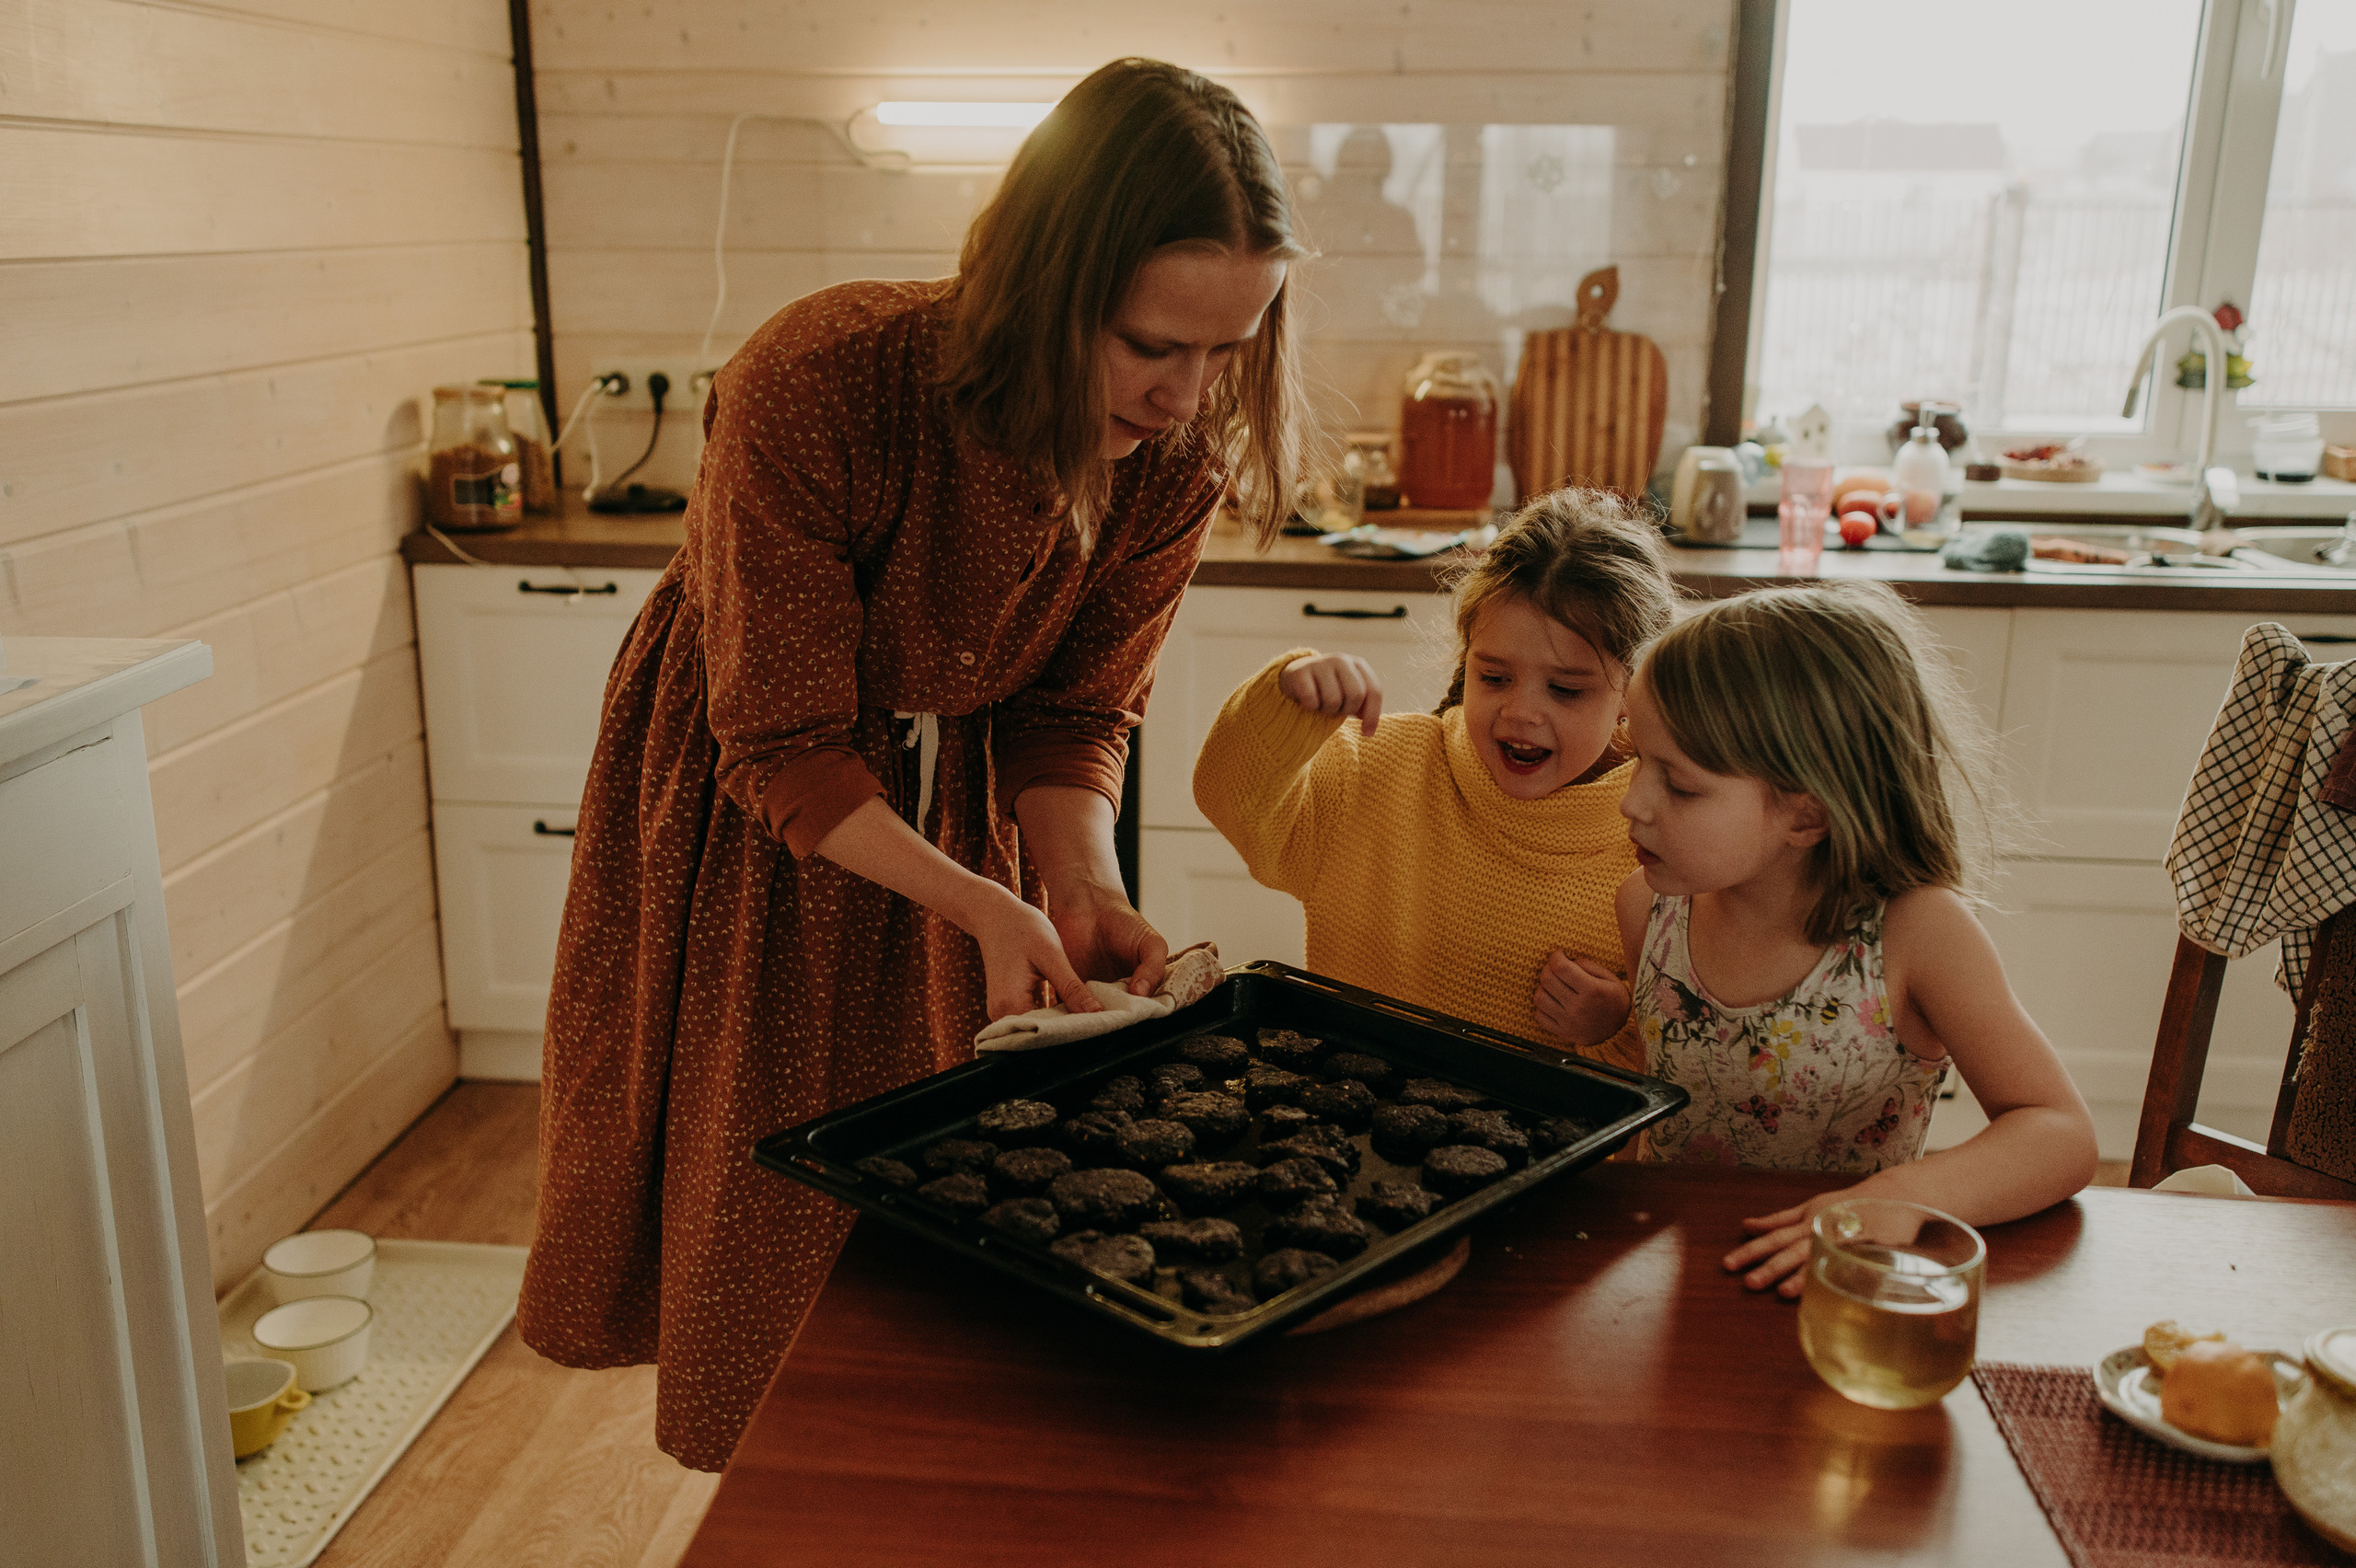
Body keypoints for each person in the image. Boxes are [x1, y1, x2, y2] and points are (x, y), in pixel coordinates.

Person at [515, 59, 1308, 1470]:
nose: (1189, 398)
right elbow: (784, 745)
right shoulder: (821, 380)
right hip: (755, 816)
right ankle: (778, 1494)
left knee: (959, 1203)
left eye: (1228, 351)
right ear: (1045, 283)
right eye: (1152, 347)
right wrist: (980, 903)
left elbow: (1074, 711)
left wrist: (1073, 884)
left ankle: (927, 1488)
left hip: (953, 813)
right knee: (766, 1184)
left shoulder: (1174, 456)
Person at [1611, 580, 2098, 1295]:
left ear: (1806, 816)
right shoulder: (1648, 912)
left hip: (1840, 1288)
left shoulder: (1917, 934)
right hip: (1683, 1279)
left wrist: (1906, 1197)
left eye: (1679, 786)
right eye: (1636, 761)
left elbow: (2060, 1132)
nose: (1633, 801)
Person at [1192, 489, 1677, 1067]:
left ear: (1631, 690)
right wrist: (1284, 700)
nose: (1520, 713)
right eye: (1494, 677)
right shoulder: (1377, 770)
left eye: (1565, 689)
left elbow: (1680, 1066)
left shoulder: (1657, 840)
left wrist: (1614, 1022)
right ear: (1466, 658)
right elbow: (1228, 796)